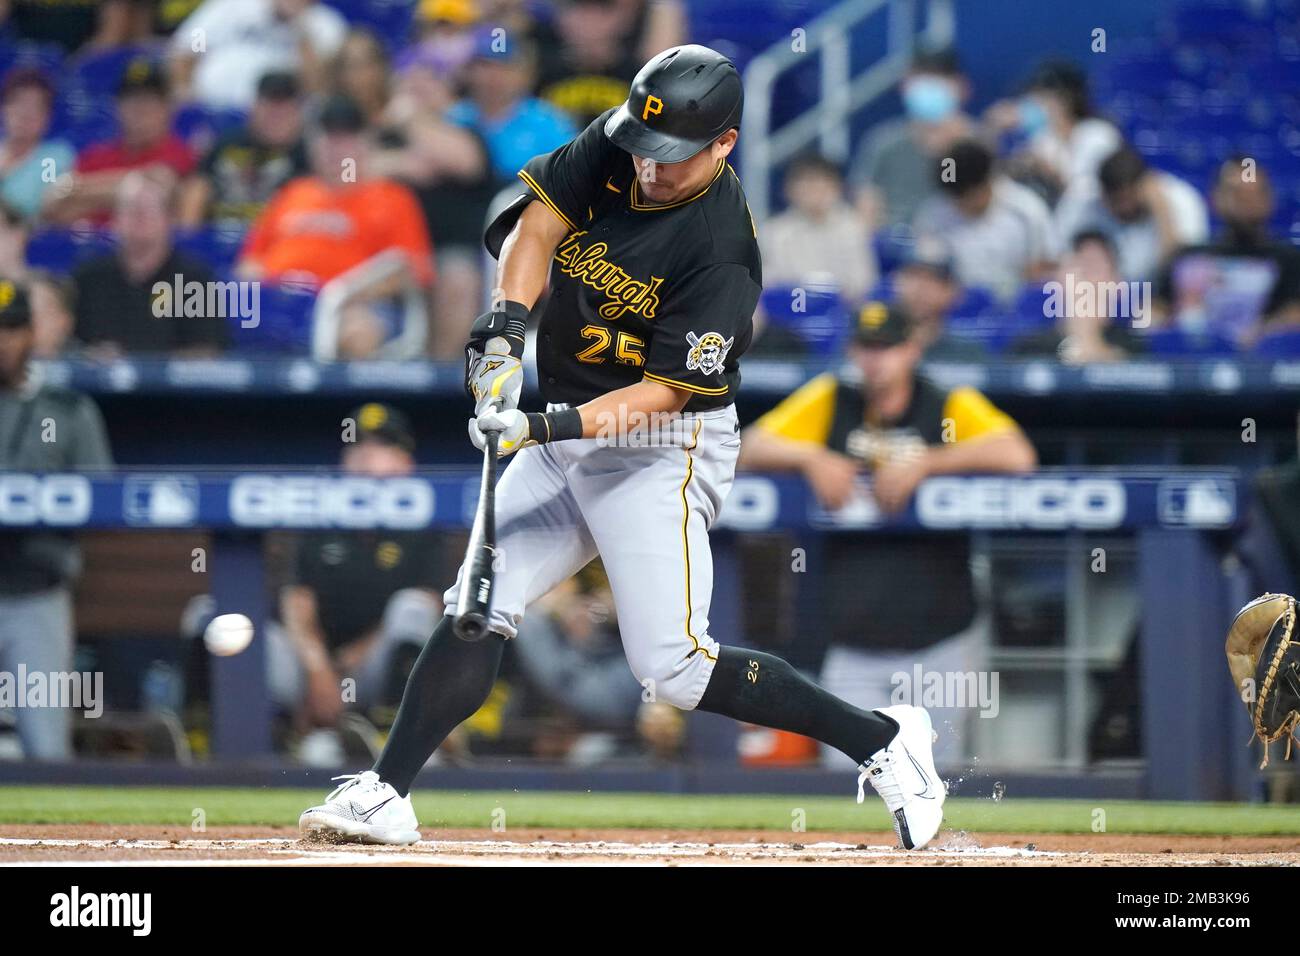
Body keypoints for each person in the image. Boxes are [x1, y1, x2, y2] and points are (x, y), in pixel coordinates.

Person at [300, 45, 949, 852]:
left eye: (673, 158)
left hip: (662, 448)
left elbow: (663, 394)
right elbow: (534, 230)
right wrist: (505, 332)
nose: (650, 168)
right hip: (569, 416)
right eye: (643, 149)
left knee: (674, 669)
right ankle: (386, 793)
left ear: (725, 145)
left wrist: (539, 427)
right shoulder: (624, 140)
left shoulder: (721, 249)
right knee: (476, 606)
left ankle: (884, 740)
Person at [738, 301, 1037, 763]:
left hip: (939, 642)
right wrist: (811, 458)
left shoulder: (945, 403)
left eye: (888, 347)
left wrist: (929, 462)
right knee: (850, 785)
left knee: (935, 778)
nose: (875, 359)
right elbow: (752, 444)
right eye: (866, 346)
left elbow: (1017, 455)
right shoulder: (833, 398)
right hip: (853, 644)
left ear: (912, 348)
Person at [269, 403, 444, 764]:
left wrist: (351, 659)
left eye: (381, 446)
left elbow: (431, 602)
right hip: (309, 671)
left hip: (370, 672)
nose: (365, 454)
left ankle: (395, 735)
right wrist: (319, 670)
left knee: (412, 609)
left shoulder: (425, 526)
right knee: (224, 618)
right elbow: (297, 602)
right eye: (358, 444)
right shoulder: (320, 520)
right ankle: (256, 736)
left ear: (404, 464)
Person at [0, 279, 114, 760]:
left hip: (36, 592)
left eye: (9, 331)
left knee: (46, 752)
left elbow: (104, 499)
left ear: (30, 334)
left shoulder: (67, 409)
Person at [238, 95, 435, 291]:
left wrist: (354, 293)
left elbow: (416, 271)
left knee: (358, 321)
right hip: (278, 300)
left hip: (348, 303)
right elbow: (251, 259)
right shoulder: (294, 191)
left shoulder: (391, 197)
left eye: (345, 139)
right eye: (329, 136)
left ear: (365, 143)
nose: (336, 148)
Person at [72, 169, 229, 355]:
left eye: (149, 210)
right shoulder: (90, 278)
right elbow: (69, 345)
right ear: (115, 219)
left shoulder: (196, 280)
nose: (139, 219)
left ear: (169, 219)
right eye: (130, 209)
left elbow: (206, 350)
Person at [1155, 157, 1300, 343]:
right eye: (1238, 194)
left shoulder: (1291, 261)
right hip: (1188, 361)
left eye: (1255, 193)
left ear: (1270, 199)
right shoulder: (1187, 257)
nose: (1247, 202)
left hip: (1263, 365)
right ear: (1216, 198)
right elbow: (1157, 308)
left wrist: (1263, 333)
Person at [44, 59, 196, 226]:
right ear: (117, 108)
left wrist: (79, 190)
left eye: (149, 101)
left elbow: (160, 188)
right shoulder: (96, 155)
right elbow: (55, 207)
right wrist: (134, 182)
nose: (139, 110)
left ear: (167, 108)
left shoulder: (178, 152)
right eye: (131, 101)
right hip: (89, 248)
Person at [848, 48, 978, 229]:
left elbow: (982, 201)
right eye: (922, 80)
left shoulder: (977, 142)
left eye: (939, 80)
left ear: (962, 88)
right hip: (894, 243)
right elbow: (866, 204)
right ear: (904, 87)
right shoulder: (883, 141)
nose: (930, 88)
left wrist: (955, 151)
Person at [913, 138, 1057, 301]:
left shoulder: (1025, 210)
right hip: (953, 308)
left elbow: (1045, 270)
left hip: (1014, 308)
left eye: (967, 196)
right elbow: (926, 271)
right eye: (954, 197)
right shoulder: (934, 213)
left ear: (986, 181)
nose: (959, 204)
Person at [1054, 144, 1207, 283]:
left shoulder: (1182, 200)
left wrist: (1162, 212)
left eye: (1128, 199)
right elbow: (1058, 262)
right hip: (1102, 296)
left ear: (1145, 186)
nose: (1124, 208)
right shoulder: (1082, 202)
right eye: (1116, 201)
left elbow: (1181, 272)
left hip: (1159, 299)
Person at [178, 71, 309, 227]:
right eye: (270, 105)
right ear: (254, 107)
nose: (276, 114)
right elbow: (198, 185)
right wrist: (188, 234)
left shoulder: (308, 154)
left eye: (284, 107)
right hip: (222, 233)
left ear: (298, 113)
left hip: (278, 239)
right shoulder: (229, 142)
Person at [985, 59, 1121, 206]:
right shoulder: (1044, 139)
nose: (1034, 104)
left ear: (1065, 99)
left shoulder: (1098, 134)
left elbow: (1089, 196)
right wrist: (993, 132)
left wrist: (1050, 171)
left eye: (1041, 97)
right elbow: (1001, 185)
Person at [168, 0, 348, 110]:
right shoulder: (233, 6)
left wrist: (299, 27)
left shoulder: (326, 24)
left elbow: (317, 87)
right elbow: (187, 47)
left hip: (279, 118)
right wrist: (185, 90)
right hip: (211, 108)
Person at [447, 32, 577, 184]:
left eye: (505, 67)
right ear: (469, 72)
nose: (494, 77)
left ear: (525, 74)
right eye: (486, 66)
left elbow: (570, 174)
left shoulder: (549, 121)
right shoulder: (455, 117)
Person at [759, 153, 877, 308]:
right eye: (806, 182)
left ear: (837, 187)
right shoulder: (773, 232)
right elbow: (767, 282)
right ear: (789, 189)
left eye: (822, 182)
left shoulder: (853, 227)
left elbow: (864, 281)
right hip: (790, 312)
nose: (814, 189)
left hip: (842, 311)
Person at [1010, 230, 1146, 363]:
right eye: (1080, 267)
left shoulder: (1134, 347)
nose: (1087, 282)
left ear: (1118, 285)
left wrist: (1088, 337)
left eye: (1096, 269)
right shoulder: (1031, 348)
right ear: (1059, 279)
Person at [891, 239, 986, 362]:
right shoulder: (872, 344)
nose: (921, 287)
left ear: (955, 291)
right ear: (896, 282)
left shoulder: (968, 353)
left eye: (934, 279)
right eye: (913, 275)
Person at [0, 67, 76, 221]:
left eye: (35, 106)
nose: (25, 113)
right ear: (3, 109)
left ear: (47, 117)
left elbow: (46, 208)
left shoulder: (55, 158)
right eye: (17, 102)